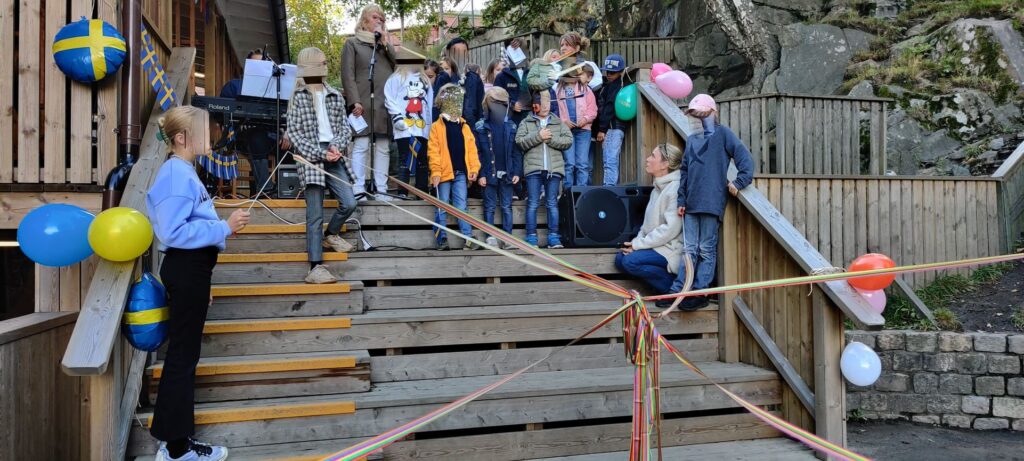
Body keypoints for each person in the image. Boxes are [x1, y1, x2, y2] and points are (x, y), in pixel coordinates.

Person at [146, 105, 249, 461]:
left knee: (183, 356)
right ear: (181, 138)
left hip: (194, 272)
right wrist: (225, 226)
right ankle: (176, 450)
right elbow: (173, 232)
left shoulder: (185, 172)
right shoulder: (176, 175)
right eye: (204, 130)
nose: (212, 135)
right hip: (186, 268)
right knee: (182, 358)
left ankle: (173, 440)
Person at [661, 94, 754, 310]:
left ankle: (701, 291)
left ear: (714, 112)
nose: (700, 119)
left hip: (712, 200)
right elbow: (685, 171)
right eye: (696, 115)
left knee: (705, 248)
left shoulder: (723, 134)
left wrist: (739, 182)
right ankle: (679, 290)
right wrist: (682, 199)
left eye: (703, 114)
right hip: (691, 202)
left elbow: (744, 159)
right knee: (689, 249)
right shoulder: (692, 139)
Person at [287, 47, 358, 284]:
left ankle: (331, 234)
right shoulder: (297, 98)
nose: (325, 66)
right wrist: (319, 153)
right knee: (314, 214)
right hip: (311, 159)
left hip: (333, 154)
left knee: (349, 201)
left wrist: (336, 147)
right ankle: (315, 266)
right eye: (322, 62)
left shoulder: (336, 95)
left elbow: (344, 128)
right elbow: (294, 134)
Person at [341, 4, 396, 200]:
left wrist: (385, 44)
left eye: (382, 18)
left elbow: (397, 66)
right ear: (364, 20)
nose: (379, 21)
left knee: (382, 146)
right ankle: (358, 188)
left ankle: (381, 188)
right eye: (375, 17)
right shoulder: (352, 43)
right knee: (362, 144)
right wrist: (354, 101)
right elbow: (348, 75)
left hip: (383, 103)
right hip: (362, 102)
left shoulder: (384, 46)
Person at [219, 48, 290, 198]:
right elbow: (221, 114)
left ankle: (287, 191)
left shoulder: (276, 89)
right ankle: (265, 189)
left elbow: (289, 115)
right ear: (248, 66)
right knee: (256, 136)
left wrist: (288, 134)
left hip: (272, 137)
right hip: (242, 137)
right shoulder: (234, 86)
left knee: (287, 147)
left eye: (263, 65)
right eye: (255, 64)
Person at [615, 144, 684, 295]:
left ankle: (672, 290)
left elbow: (670, 230)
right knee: (620, 259)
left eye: (653, 156)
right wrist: (635, 244)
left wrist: (637, 245)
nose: (647, 159)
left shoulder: (675, 189)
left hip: (670, 249)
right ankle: (661, 286)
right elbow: (646, 227)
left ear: (665, 164)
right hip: (655, 246)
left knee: (629, 261)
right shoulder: (656, 189)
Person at [516, 91, 572, 248]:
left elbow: (568, 140)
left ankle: (553, 237)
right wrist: (538, 136)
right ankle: (531, 237)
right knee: (533, 203)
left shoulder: (557, 122)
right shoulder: (526, 122)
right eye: (543, 103)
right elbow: (520, 142)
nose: (546, 106)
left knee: (552, 203)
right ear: (536, 104)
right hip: (534, 169)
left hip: (554, 170)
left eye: (548, 102)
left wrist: (551, 139)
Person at [428, 84, 481, 251]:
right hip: (443, 173)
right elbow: (433, 151)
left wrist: (473, 169)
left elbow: (472, 151)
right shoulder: (437, 127)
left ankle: (468, 238)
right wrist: (435, 172)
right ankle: (441, 238)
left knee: (461, 206)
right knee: (442, 205)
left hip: (460, 173)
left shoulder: (465, 127)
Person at [475, 87, 521, 248]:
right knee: (489, 206)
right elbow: (478, 153)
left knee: (507, 207)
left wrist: (516, 171)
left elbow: (516, 152)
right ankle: (490, 237)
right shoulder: (480, 127)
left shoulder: (512, 127)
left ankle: (508, 239)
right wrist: (480, 174)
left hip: (507, 174)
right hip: (488, 174)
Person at [385, 48, 434, 198]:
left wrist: (429, 125)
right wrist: (397, 118)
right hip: (404, 128)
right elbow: (389, 98)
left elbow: (429, 104)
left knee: (422, 159)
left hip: (422, 128)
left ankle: (421, 191)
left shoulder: (425, 80)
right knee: (404, 159)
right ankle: (402, 192)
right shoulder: (396, 78)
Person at [554, 61, 597, 188]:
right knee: (569, 163)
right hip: (567, 131)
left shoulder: (586, 89)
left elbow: (593, 110)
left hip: (584, 131)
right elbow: (555, 110)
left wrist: (585, 119)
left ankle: (581, 192)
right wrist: (564, 122)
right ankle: (568, 192)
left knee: (582, 164)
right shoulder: (559, 90)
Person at [596, 54, 628, 186]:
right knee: (609, 160)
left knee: (610, 160)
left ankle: (609, 188)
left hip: (612, 128)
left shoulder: (616, 86)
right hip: (614, 128)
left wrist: (602, 129)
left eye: (613, 72)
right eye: (607, 71)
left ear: (620, 72)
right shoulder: (614, 85)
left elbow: (609, 107)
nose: (609, 74)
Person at [493, 37, 531, 124]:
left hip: (530, 117)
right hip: (511, 120)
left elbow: (536, 92)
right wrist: (511, 104)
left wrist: (537, 102)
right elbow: (496, 98)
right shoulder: (502, 76)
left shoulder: (530, 73)